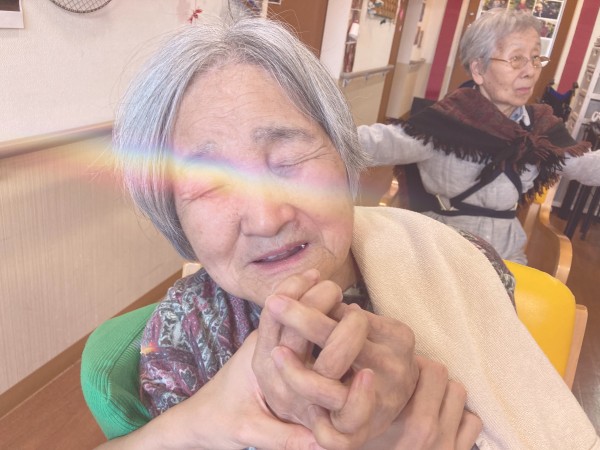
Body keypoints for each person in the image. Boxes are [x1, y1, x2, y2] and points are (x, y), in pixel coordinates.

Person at [99, 13, 600, 450]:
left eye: (289, 158)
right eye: (209, 184)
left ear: (343, 160)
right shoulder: (184, 337)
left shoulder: (468, 266)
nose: (266, 219)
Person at [359, 9, 600, 264]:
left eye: (535, 58)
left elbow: (587, 167)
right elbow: (368, 144)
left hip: (505, 258)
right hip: (440, 254)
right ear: (478, 69)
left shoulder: (540, 131)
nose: (530, 71)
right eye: (516, 59)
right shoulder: (443, 125)